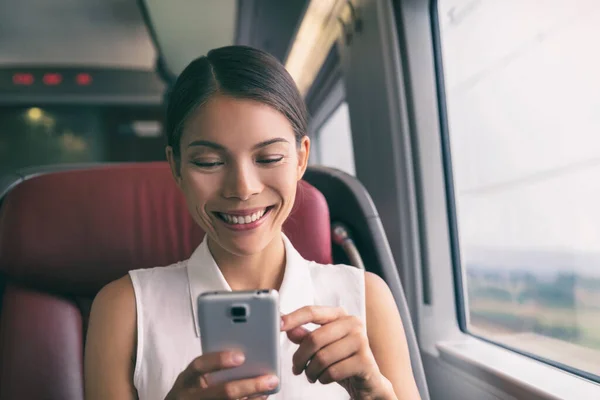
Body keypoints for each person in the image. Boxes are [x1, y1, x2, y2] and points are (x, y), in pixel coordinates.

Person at [84, 45, 421, 400]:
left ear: (301, 159)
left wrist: (377, 393)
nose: (243, 189)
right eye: (210, 162)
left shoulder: (365, 298)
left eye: (270, 157)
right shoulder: (125, 309)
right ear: (176, 168)